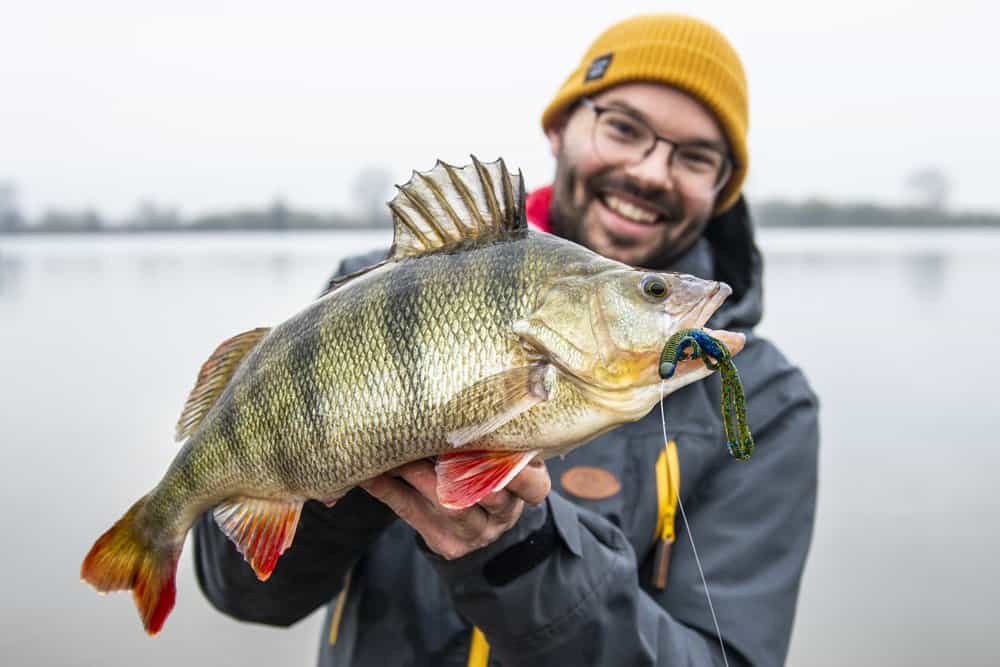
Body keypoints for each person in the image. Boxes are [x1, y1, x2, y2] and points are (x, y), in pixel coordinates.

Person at [193, 13, 819, 666]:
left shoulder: (769, 405)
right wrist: (351, 463)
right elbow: (247, 595)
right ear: (559, 127)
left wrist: (519, 550)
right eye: (625, 128)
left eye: (695, 156)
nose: (652, 171)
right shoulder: (362, 296)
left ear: (723, 189)